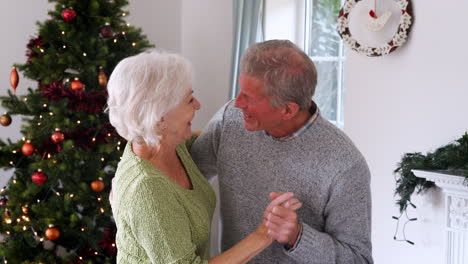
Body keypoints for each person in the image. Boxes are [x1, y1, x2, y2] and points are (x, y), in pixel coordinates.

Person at [106, 51, 302, 264]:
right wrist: (263, 234)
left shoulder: (168, 145)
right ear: (160, 116)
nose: (198, 105)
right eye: (189, 100)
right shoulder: (147, 189)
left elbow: (220, 135)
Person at [190, 40, 373, 263]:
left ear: (288, 110)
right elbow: (188, 176)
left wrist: (297, 236)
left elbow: (358, 259)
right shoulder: (230, 119)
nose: (237, 103)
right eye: (241, 91)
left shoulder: (344, 166)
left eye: (250, 98)